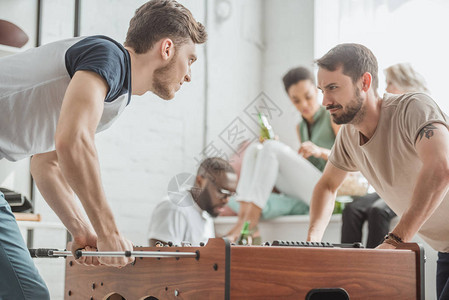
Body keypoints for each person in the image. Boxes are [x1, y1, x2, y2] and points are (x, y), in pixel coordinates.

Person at [0, 0, 206, 298]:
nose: (188, 75)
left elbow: (46, 163)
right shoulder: (110, 56)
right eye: (191, 60)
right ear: (167, 49)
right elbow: (73, 141)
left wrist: (81, 228)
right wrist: (108, 231)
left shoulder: (115, 96)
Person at [307, 43, 449, 299]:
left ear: (364, 82)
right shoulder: (349, 136)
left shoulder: (413, 108)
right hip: (446, 249)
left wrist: (395, 240)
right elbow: (327, 185)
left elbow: (441, 168)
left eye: (333, 88)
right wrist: (312, 243)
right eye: (322, 90)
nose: (325, 101)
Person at [224, 67, 340, 241]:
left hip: (330, 188)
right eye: (296, 100)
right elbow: (305, 166)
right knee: (255, 149)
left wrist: (319, 151)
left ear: (317, 91)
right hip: (310, 188)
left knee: (271, 147)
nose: (304, 105)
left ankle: (252, 223)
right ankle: (242, 220)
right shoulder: (300, 127)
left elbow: (350, 158)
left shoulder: (332, 116)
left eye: (308, 96)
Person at [341, 63, 429, 248]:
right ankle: (349, 266)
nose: (386, 89)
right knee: (351, 209)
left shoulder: (420, 114)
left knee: (377, 211)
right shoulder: (384, 119)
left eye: (391, 83)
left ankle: (376, 270)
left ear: (407, 86)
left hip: (409, 189)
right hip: (387, 188)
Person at [148, 157, 237, 246]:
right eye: (222, 191)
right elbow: (160, 256)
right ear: (200, 181)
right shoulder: (174, 208)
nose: (227, 199)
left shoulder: (205, 210)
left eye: (231, 194)